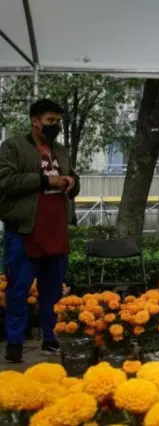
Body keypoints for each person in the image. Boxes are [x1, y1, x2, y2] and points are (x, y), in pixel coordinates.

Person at [0, 99, 80, 363]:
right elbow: (6, 181)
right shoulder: (13, 146)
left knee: (53, 291)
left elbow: (73, 179)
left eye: (57, 121)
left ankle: (50, 339)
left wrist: (71, 182)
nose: (55, 125)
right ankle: (14, 344)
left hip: (56, 230)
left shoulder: (61, 150)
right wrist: (46, 180)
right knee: (18, 290)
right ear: (35, 120)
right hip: (24, 231)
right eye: (50, 121)